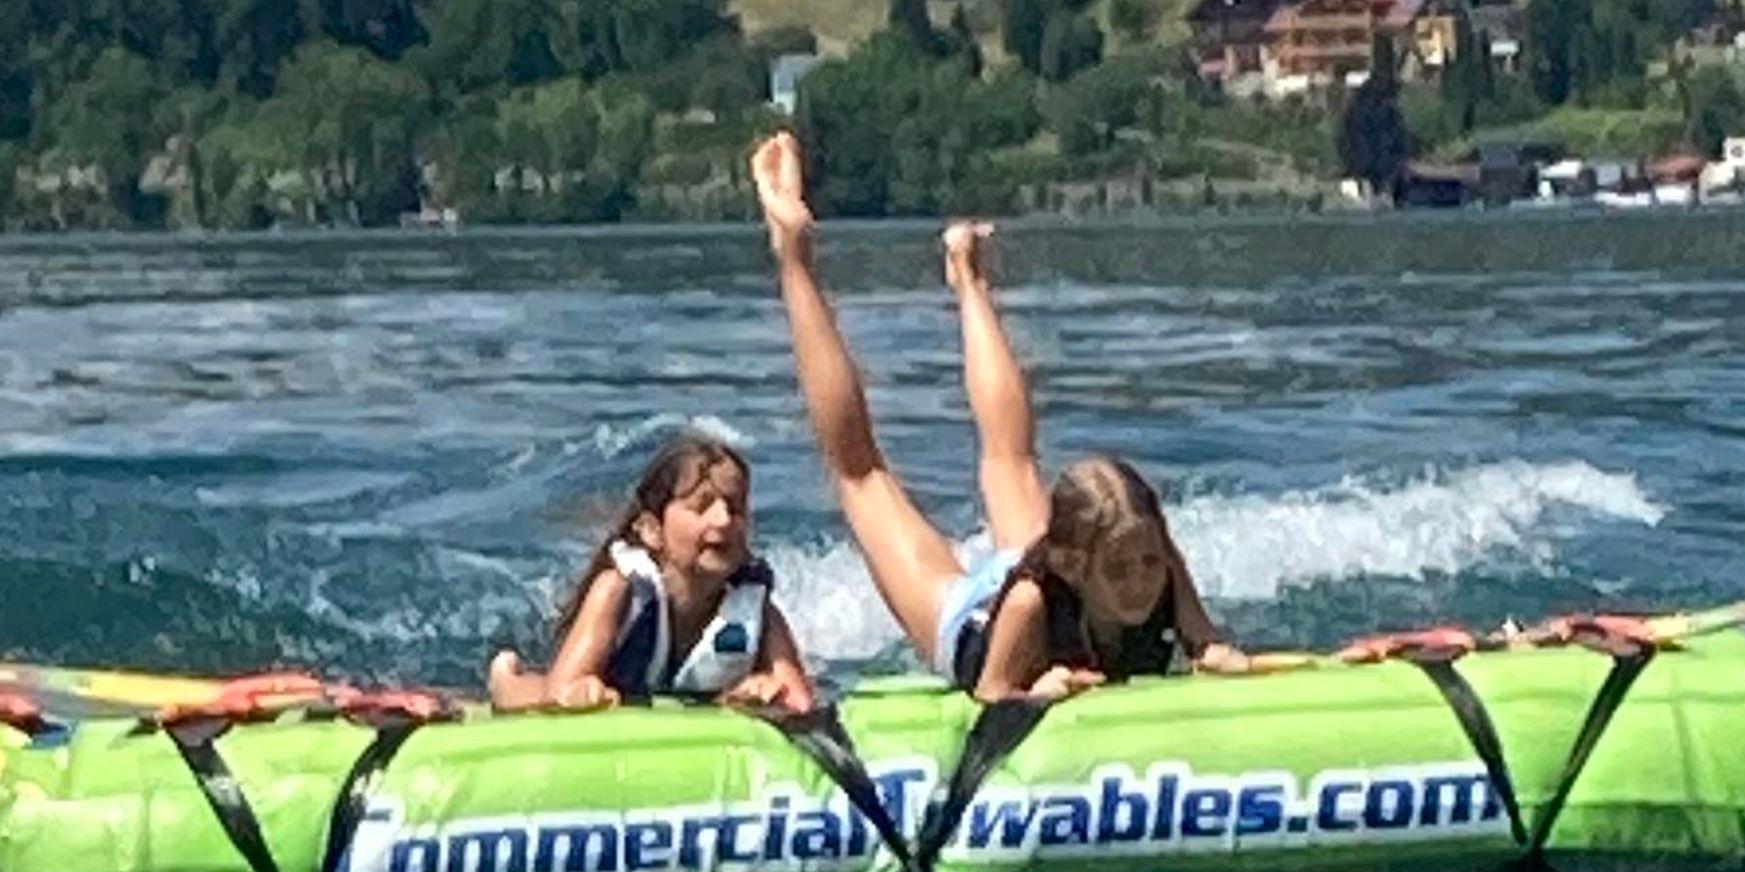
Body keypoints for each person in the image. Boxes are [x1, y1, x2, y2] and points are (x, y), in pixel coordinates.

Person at [751, 130, 1245, 702]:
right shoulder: (1030, 602)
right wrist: (1036, 691)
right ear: (1073, 563)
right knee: (861, 473)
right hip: (974, 628)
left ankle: (968, 278)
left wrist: (1253, 661)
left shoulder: (1156, 564)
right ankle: (794, 256)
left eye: (1149, 562)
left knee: (1013, 459)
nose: (1140, 583)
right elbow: (989, 697)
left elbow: (1211, 649)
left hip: (1037, 566)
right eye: (1120, 569)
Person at [487, 434, 815, 714]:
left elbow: (799, 700)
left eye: (736, 507)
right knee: (536, 695)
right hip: (615, 683)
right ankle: (506, 680)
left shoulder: (758, 610)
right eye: (702, 506)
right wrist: (580, 691)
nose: (724, 520)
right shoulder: (617, 590)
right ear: (652, 530)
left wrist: (759, 692)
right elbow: (560, 691)